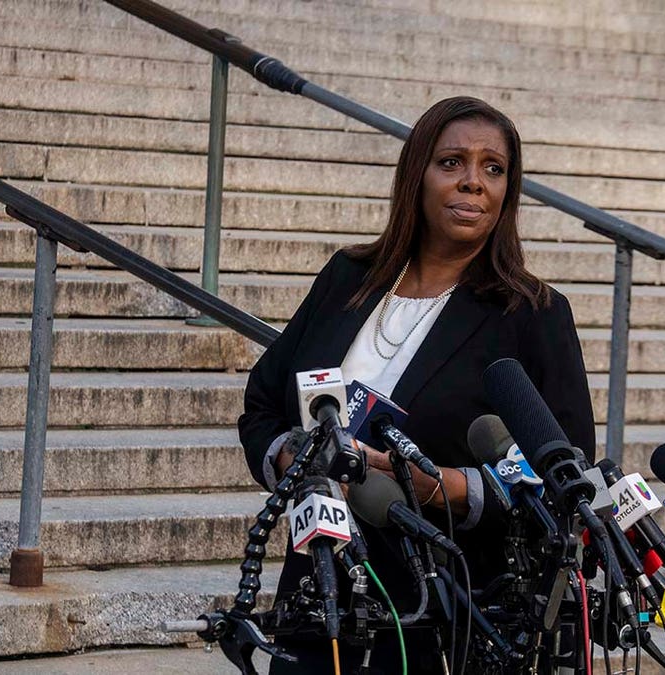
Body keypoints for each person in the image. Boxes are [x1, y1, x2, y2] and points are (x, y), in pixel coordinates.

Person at [238, 96, 596, 674]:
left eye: (493, 168)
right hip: (320, 588)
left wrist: (437, 487)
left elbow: (560, 473)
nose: (474, 183)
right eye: (452, 162)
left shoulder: (533, 313)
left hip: (447, 607)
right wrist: (292, 459)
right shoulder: (347, 278)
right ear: (417, 175)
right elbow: (262, 405)